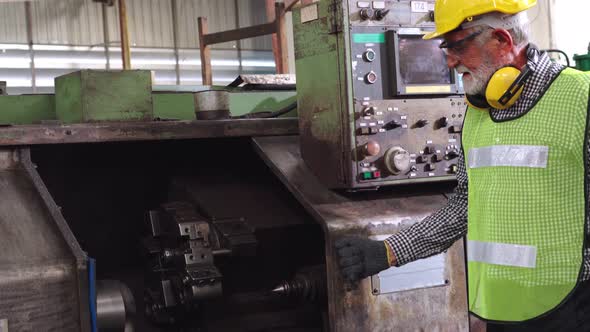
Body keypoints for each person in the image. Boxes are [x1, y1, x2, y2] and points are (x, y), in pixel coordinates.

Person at [335, 0, 590, 331]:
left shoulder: (580, 98)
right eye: (446, 47)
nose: (450, 60)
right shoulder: (478, 112)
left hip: (574, 307)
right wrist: (388, 252)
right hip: (505, 309)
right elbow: (465, 206)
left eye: (458, 45)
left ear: (502, 40)